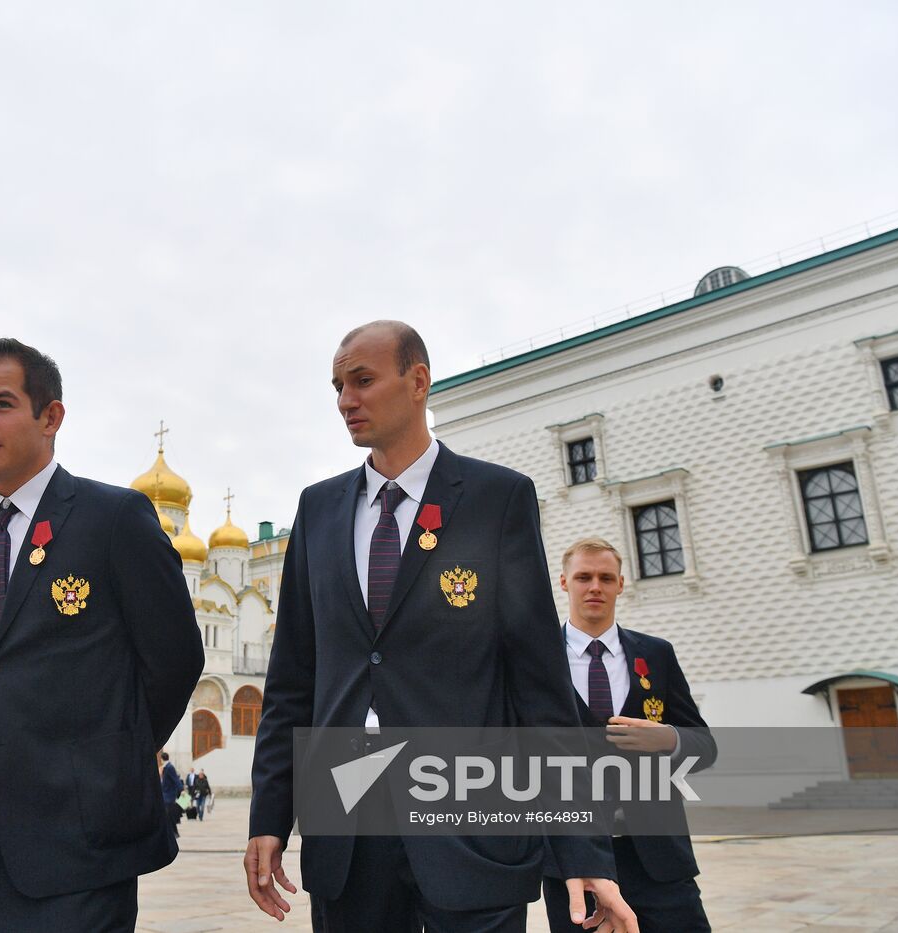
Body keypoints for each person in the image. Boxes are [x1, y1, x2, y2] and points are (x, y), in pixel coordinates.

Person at [246, 321, 638, 932]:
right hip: (347, 825)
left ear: (419, 381)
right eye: (338, 386)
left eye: (363, 380)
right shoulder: (318, 510)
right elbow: (293, 678)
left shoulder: (495, 498)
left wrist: (583, 848)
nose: (346, 400)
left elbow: (538, 683)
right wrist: (268, 817)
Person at [0, 338, 204, 932]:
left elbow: (174, 659)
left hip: (74, 845)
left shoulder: (113, 519)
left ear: (51, 417)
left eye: (1, 404)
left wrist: (105, 761)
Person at [542, 538, 714, 933]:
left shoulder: (656, 654)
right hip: (575, 862)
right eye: (584, 577)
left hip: (659, 859)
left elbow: (704, 746)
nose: (595, 587)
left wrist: (669, 739)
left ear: (621, 584)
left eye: (605, 577)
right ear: (564, 583)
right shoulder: (537, 658)